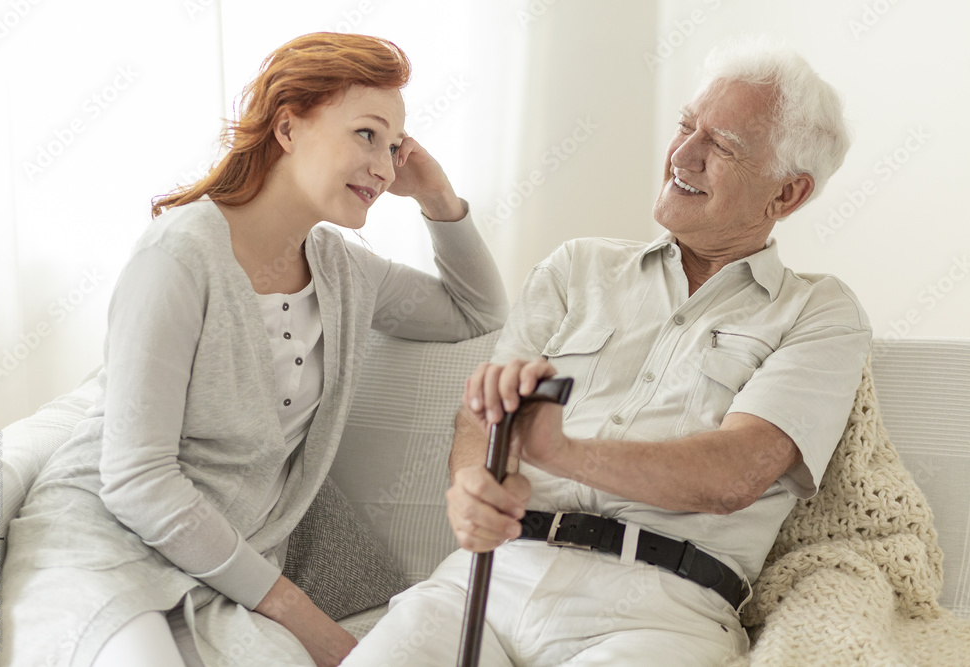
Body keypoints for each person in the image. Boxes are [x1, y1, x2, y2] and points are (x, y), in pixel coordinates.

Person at [343, 40, 872, 666]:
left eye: (721, 145)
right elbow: (485, 413)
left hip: (661, 611)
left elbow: (737, 473)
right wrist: (471, 488)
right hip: (489, 578)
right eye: (684, 126)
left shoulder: (818, 312)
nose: (682, 155)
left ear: (785, 195)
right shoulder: (578, 267)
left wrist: (562, 453)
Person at [0, 33, 507, 667]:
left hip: (229, 567)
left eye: (396, 147)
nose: (385, 165)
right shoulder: (178, 257)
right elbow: (135, 481)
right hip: (108, 543)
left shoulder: (345, 272)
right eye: (367, 135)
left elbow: (476, 310)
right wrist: (296, 612)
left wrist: (437, 196)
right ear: (288, 128)